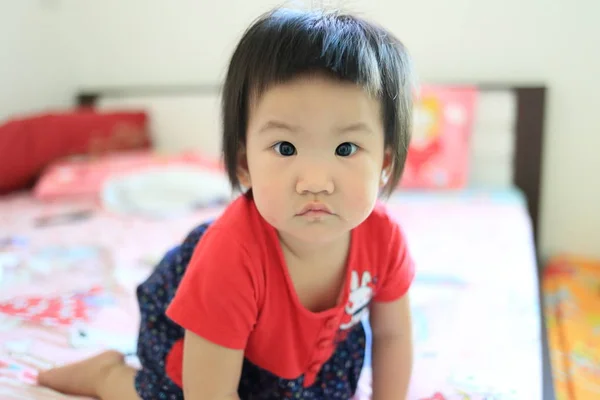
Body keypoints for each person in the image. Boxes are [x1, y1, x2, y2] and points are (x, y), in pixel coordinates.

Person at [38, 6, 416, 400]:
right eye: (285, 148)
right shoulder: (231, 255)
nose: (315, 183)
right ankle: (108, 377)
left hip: (306, 355)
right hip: (200, 342)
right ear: (244, 163)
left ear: (385, 163)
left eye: (346, 148)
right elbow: (209, 393)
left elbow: (392, 336)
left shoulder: (384, 240)